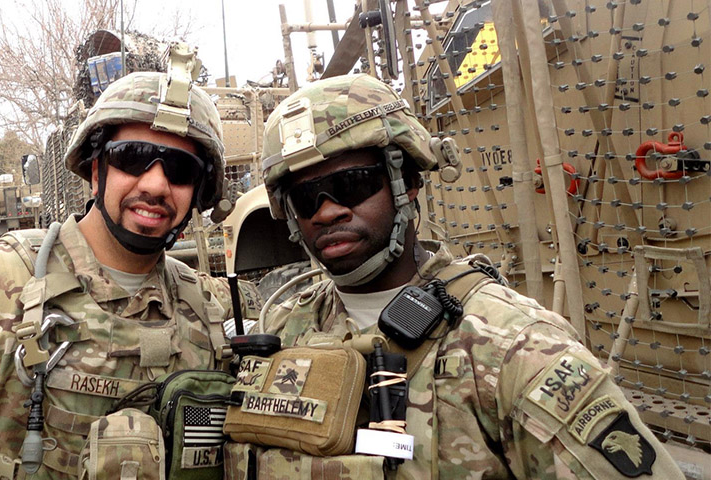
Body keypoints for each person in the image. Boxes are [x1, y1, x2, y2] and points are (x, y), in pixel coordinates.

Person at [238, 74, 684, 479]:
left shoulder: (512, 347)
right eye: (304, 198)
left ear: (407, 182)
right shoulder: (284, 330)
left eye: (353, 183)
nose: (328, 210)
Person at [0, 70, 262, 478]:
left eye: (181, 169)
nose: (156, 184)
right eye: (132, 157)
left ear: (199, 192)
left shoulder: (209, 310)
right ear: (96, 172)